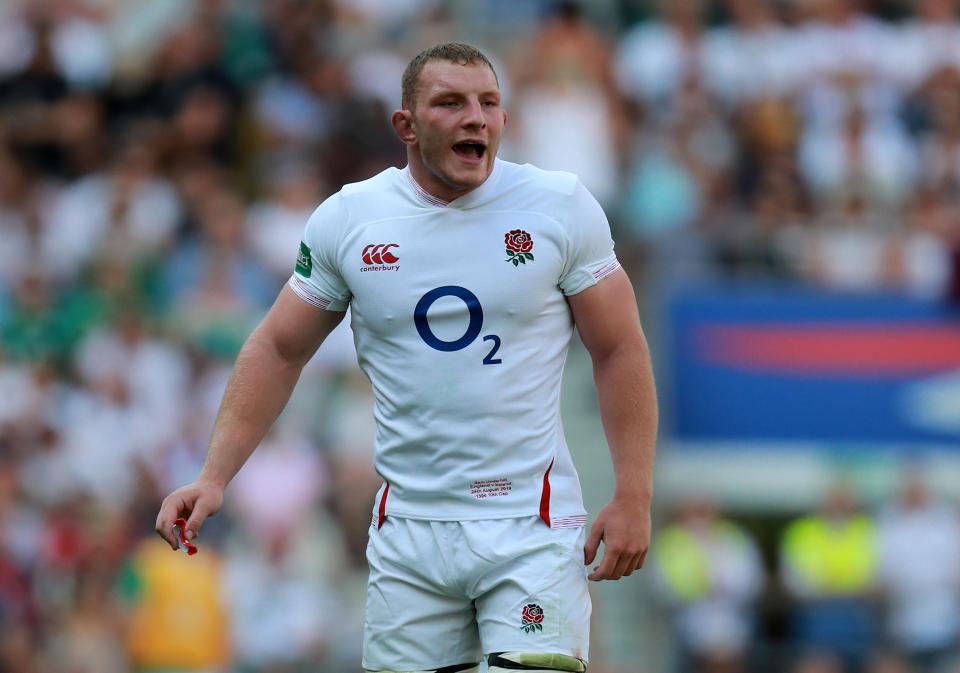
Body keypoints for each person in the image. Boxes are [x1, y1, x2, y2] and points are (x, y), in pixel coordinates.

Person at [155, 42, 658, 673]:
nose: (476, 117)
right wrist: (213, 475)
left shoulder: (559, 206)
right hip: (408, 534)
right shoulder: (350, 220)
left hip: (531, 523)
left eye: (489, 103)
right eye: (451, 103)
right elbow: (279, 348)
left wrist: (633, 494)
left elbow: (619, 348)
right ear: (407, 126)